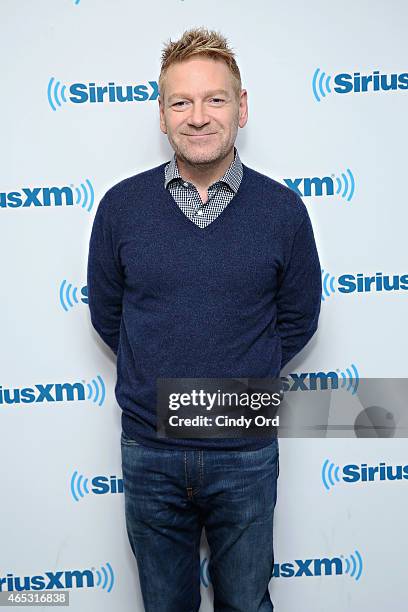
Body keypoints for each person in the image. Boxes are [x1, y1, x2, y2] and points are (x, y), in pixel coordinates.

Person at [87, 27, 322, 612]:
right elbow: (108, 312)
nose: (199, 117)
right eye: (181, 102)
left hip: (245, 450)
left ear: (241, 108)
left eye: (215, 99)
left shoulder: (282, 210)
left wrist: (237, 389)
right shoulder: (120, 207)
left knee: (245, 603)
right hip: (150, 450)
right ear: (162, 115)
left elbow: (298, 318)